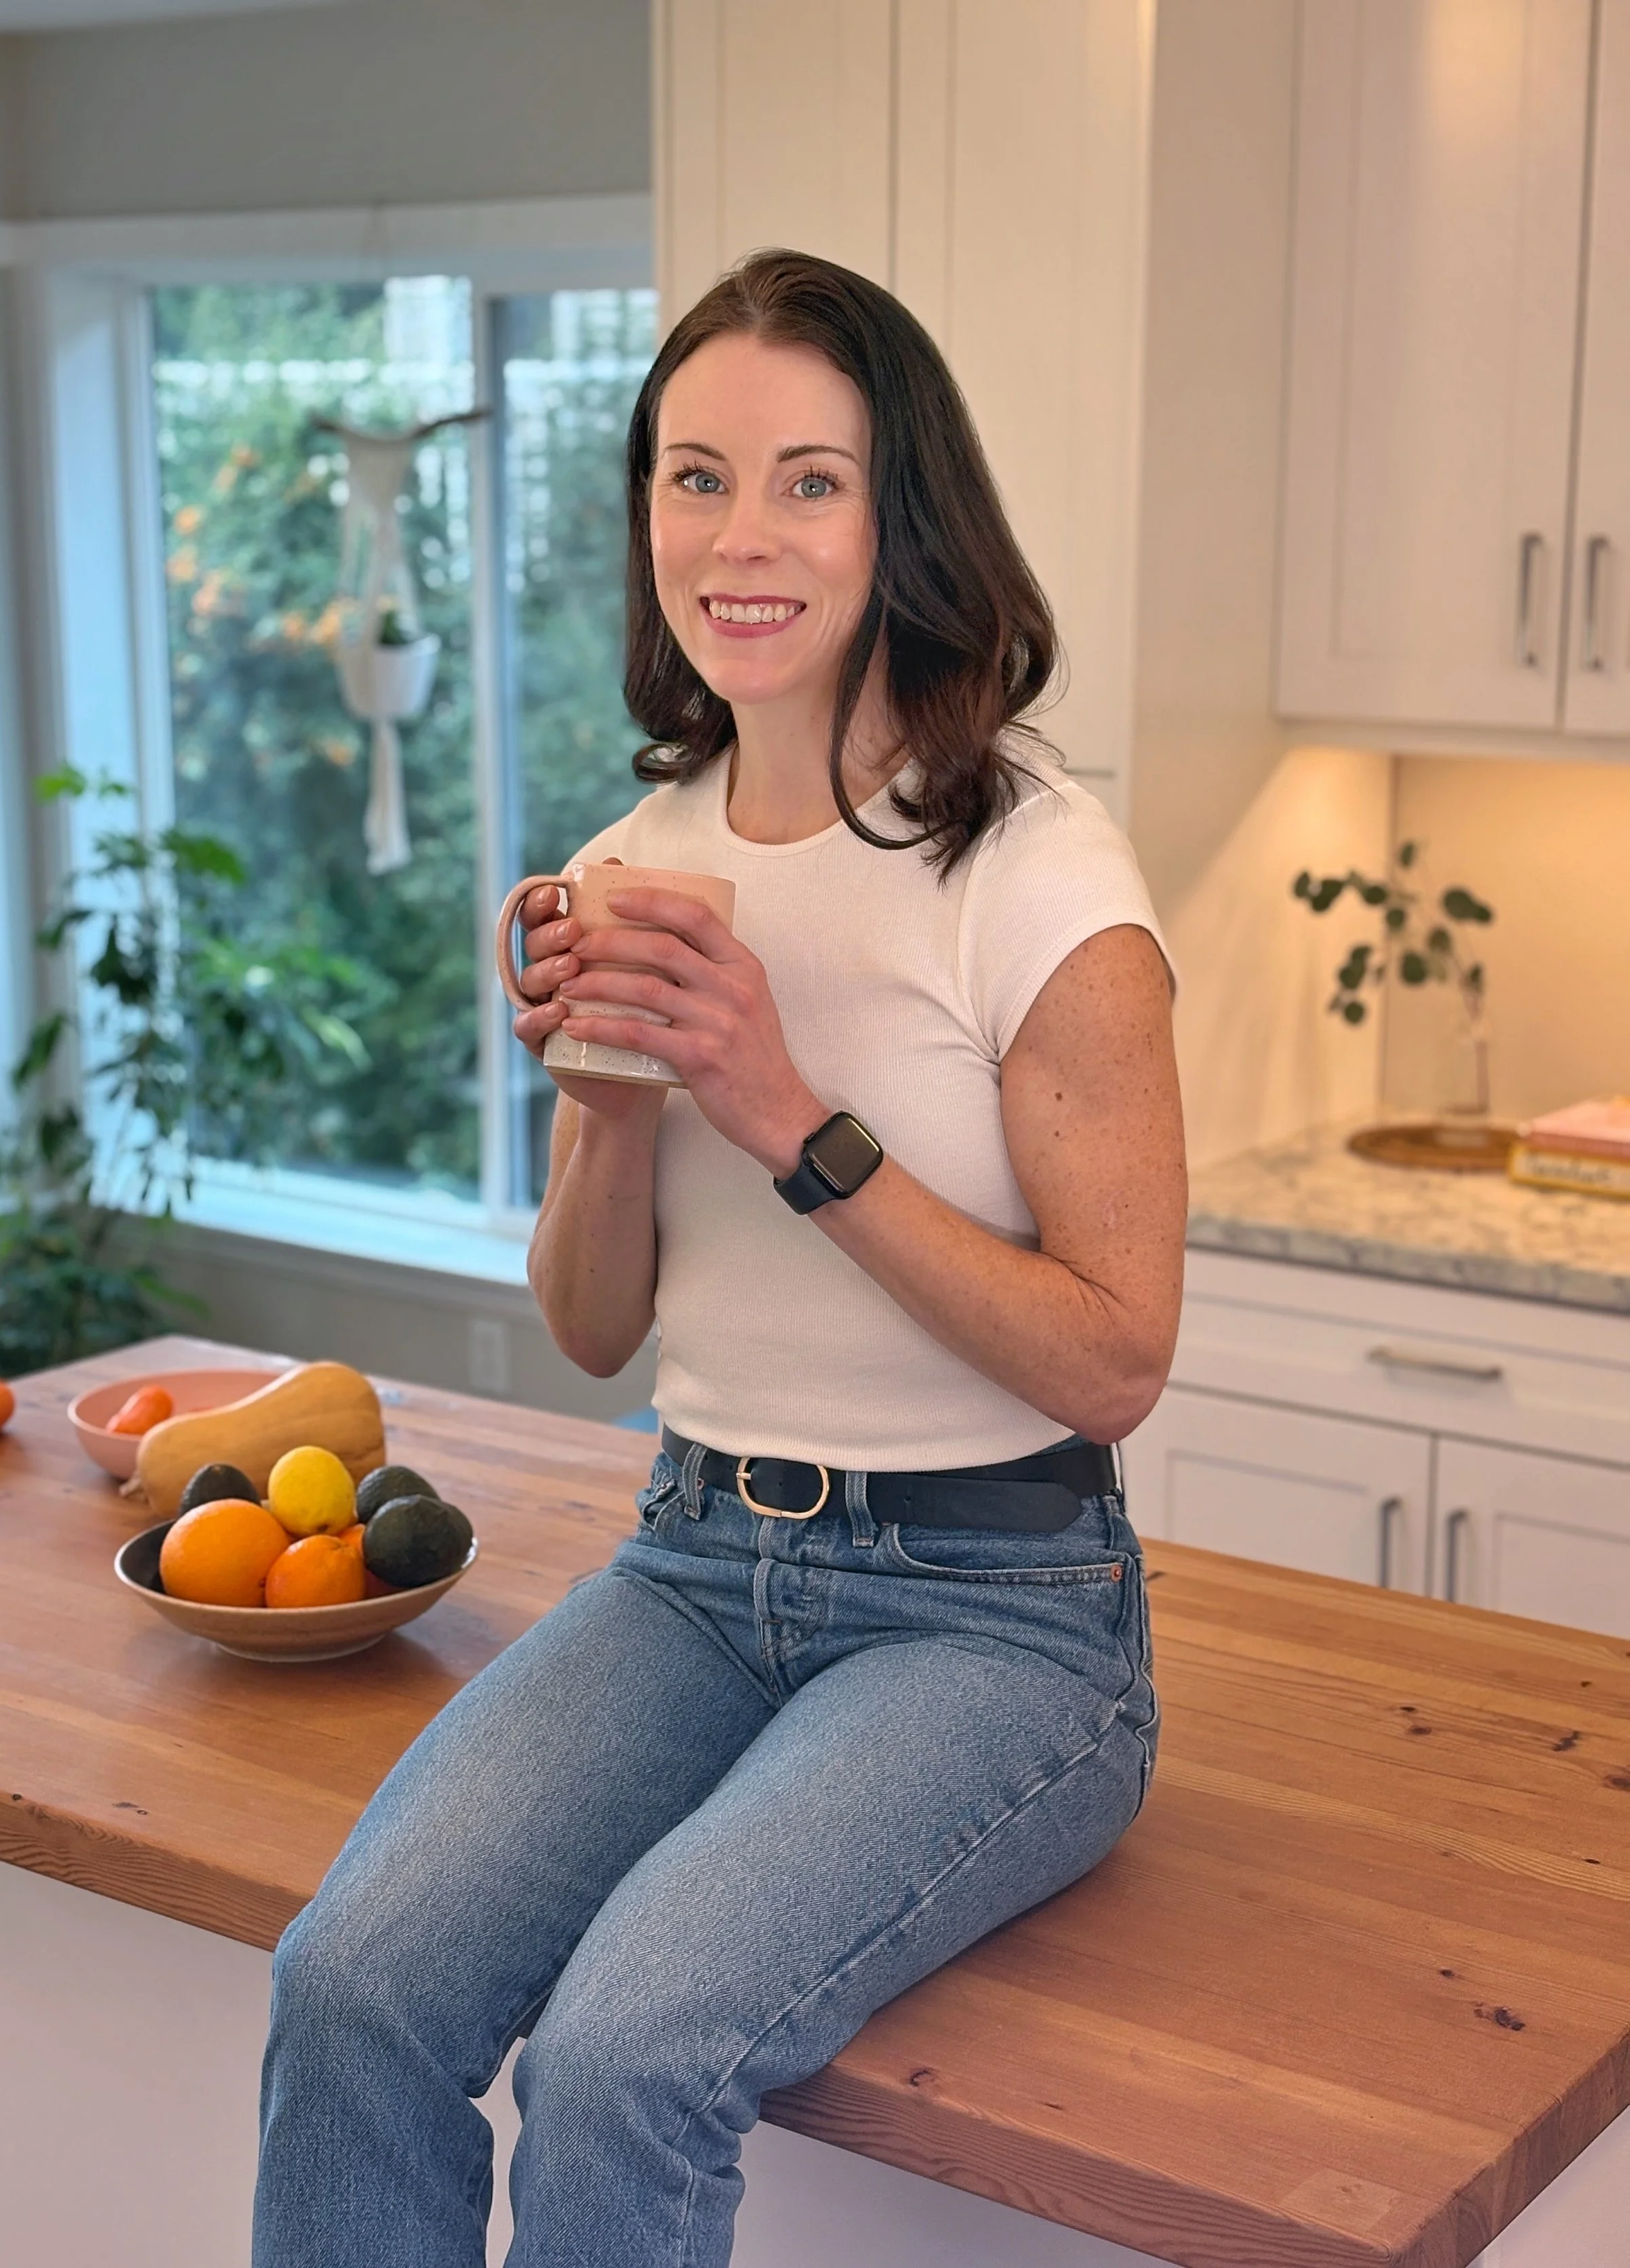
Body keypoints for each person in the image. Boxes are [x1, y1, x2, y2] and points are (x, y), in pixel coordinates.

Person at [252, 248, 1186, 2268]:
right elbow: (592, 1331)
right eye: (693, 476)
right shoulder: (629, 864)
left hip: (995, 1616)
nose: (737, 535)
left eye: (806, 481)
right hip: (691, 1565)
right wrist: (603, 1102)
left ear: (900, 518)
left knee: (623, 2054)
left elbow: (1115, 1359)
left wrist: (778, 1107)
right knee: (350, 1982)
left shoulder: (1036, 873)